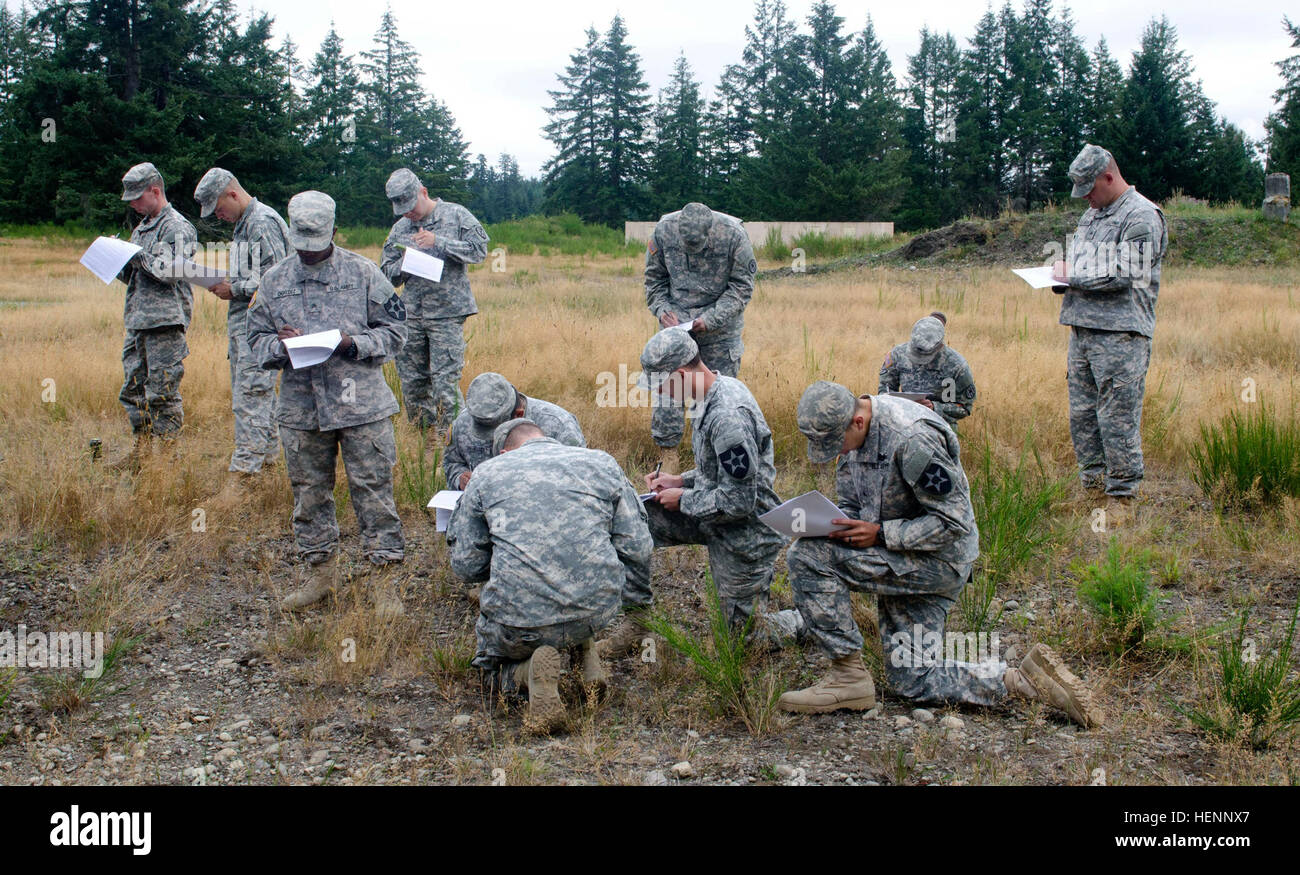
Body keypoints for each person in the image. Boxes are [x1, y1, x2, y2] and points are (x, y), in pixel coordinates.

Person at [777, 380, 1102, 728]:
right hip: (899, 556)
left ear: (857, 422)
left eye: (836, 443)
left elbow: (953, 523)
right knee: (911, 679)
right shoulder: (855, 438)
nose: (836, 453)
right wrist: (835, 522)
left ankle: (846, 676)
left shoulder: (912, 439)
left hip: (936, 562)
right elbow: (853, 502)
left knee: (808, 555)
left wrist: (882, 533)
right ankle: (1023, 681)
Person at [246, 191, 409, 618]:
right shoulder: (274, 281)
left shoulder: (365, 273)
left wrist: (353, 343)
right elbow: (255, 340)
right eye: (301, 243)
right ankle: (320, 574)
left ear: (335, 232)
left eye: (316, 242)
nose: (308, 252)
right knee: (309, 494)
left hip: (362, 409)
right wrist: (278, 347)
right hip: (302, 410)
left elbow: (396, 331)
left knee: (374, 493)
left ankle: (384, 581)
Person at [447, 419, 652, 734]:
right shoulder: (601, 462)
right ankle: (585, 652)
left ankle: (526, 672)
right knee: (572, 581)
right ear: (546, 439)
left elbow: (466, 567)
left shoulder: (487, 473)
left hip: (522, 621)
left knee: (489, 671)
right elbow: (638, 548)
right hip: (597, 610)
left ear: (503, 452)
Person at [600, 328, 785, 657]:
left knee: (743, 645)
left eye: (661, 385)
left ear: (682, 375)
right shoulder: (706, 394)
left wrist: (683, 500)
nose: (660, 394)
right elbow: (716, 473)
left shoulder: (728, 417)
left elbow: (739, 502)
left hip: (746, 531)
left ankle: (808, 621)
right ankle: (637, 619)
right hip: (714, 511)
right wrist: (679, 482)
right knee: (636, 522)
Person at [1051, 144, 1168, 505]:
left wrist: (1075, 275)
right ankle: (1093, 486)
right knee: (1083, 415)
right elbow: (1081, 266)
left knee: (1116, 418)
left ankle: (1122, 495)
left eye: (1090, 188)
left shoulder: (1143, 216)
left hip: (1121, 335)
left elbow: (1127, 271)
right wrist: (1060, 277)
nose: (1086, 196)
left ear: (1109, 176)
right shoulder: (1091, 215)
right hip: (1083, 330)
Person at [192, 167, 293, 486]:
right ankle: (265, 462)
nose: (219, 216)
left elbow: (278, 280)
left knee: (251, 397)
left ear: (233, 194)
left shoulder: (261, 222)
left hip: (261, 332)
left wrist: (232, 288)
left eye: (220, 209)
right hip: (247, 329)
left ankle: (245, 476)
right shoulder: (245, 223)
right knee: (257, 396)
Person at [380, 168, 489, 434]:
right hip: (412, 316)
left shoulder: (456, 214)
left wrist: (438, 242)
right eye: (402, 209)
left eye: (411, 206)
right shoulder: (400, 228)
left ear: (423, 192)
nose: (409, 213)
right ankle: (423, 440)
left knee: (445, 384)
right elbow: (386, 273)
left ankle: (454, 441)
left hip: (447, 315)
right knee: (413, 382)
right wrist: (406, 263)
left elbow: (479, 250)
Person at [644, 202, 757, 453]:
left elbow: (741, 288)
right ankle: (668, 457)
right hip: (674, 330)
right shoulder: (663, 231)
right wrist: (664, 313)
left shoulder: (734, 235)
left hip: (719, 333)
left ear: (710, 232)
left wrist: (710, 320)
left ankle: (710, 459)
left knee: (716, 400)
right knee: (667, 397)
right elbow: (654, 281)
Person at [108, 162, 198, 472]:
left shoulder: (178, 227)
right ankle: (141, 452)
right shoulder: (142, 226)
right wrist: (115, 259)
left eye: (136, 197)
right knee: (133, 389)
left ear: (155, 191)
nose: (132, 204)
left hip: (164, 324)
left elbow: (171, 272)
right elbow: (136, 277)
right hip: (137, 321)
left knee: (162, 392)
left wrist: (136, 255)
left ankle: (166, 462)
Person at [443, 372, 585, 490]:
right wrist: (459, 478)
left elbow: (580, 478)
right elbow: (452, 462)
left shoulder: (558, 425)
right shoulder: (464, 422)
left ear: (518, 415)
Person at [878, 313, 977, 429]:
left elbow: (964, 407)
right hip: (903, 425)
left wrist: (934, 408)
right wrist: (899, 405)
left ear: (939, 346)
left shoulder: (957, 366)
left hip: (939, 427)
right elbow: (884, 392)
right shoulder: (897, 355)